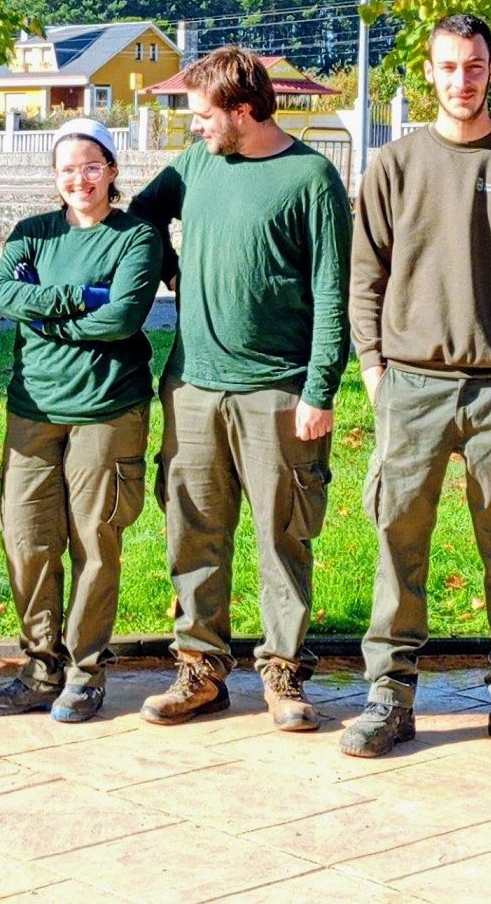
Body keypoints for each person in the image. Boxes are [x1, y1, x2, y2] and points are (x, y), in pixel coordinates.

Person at [343, 15, 491, 760]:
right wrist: (375, 367)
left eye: (474, 65)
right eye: (448, 66)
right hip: (411, 384)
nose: (462, 79)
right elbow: (365, 275)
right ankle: (390, 693)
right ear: (429, 72)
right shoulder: (396, 162)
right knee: (397, 542)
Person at [130, 47, 350, 733]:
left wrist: (319, 390)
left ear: (244, 111)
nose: (193, 128)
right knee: (192, 528)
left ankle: (283, 674)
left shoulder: (310, 177)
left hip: (278, 392)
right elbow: (140, 215)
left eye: (201, 116)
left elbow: (333, 293)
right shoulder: (198, 164)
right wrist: (172, 270)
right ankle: (200, 670)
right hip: (193, 384)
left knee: (283, 535)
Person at [0, 117, 165, 723]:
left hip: (107, 408)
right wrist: (82, 298)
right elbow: (4, 297)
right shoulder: (33, 233)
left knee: (94, 540)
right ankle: (41, 666)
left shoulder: (135, 237)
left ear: (112, 170)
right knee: (29, 539)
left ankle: (86, 672)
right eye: (67, 169)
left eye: (91, 166)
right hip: (32, 409)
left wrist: (48, 312)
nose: (79, 179)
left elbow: (121, 320)